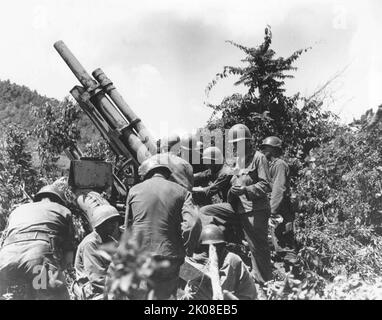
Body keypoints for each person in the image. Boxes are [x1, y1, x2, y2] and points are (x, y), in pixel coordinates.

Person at [124, 155, 202, 299]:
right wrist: (187, 248)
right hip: (169, 255)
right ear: (166, 174)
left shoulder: (134, 190)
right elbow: (193, 223)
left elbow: (127, 227)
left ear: (147, 174)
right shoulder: (182, 192)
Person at [0, 184, 74, 300]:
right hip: (37, 259)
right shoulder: (63, 210)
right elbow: (68, 255)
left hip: (6, 258)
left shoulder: (17, 210)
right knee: (52, 295)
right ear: (58, 200)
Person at [227, 124, 273, 284]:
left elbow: (266, 185)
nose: (236, 147)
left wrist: (245, 190)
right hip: (241, 209)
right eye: (234, 144)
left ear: (248, 142)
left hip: (256, 209)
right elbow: (234, 180)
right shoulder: (237, 161)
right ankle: (258, 278)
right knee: (252, 246)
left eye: (239, 143)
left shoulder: (259, 158)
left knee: (259, 247)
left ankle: (265, 282)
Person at [182, 224, 256, 300]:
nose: (212, 249)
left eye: (217, 246)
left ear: (223, 246)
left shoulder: (231, 260)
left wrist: (204, 277)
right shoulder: (200, 259)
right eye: (206, 247)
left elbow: (222, 289)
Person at [261, 136, 297, 265]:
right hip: (276, 207)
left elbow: (279, 188)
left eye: (266, 147)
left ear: (275, 149)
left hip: (281, 207)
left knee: (285, 242)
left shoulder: (280, 165)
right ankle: (287, 275)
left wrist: (272, 210)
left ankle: (296, 275)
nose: (263, 150)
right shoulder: (272, 166)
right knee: (277, 240)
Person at [73, 204, 121, 300]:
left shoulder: (108, 240)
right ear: (101, 224)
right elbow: (97, 279)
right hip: (92, 289)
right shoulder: (90, 244)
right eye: (110, 222)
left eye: (114, 222)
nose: (114, 225)